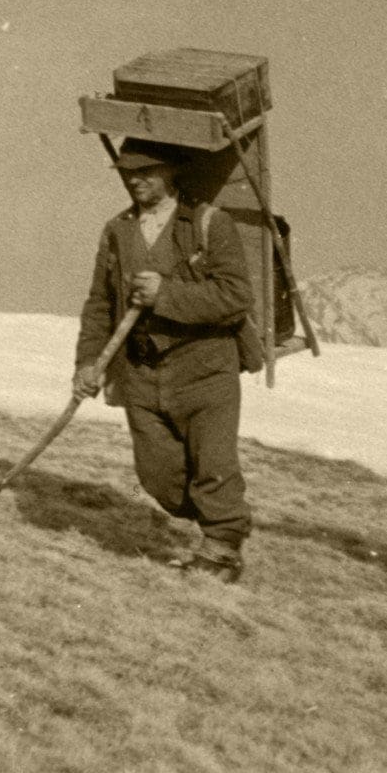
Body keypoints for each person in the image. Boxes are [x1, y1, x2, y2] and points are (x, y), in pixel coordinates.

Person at [73, 138, 255, 581]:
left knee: (213, 465)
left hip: (205, 368)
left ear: (173, 170)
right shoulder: (116, 231)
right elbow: (100, 303)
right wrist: (86, 363)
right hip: (141, 372)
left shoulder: (212, 224)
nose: (135, 178)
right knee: (158, 476)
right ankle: (219, 523)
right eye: (128, 170)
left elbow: (236, 296)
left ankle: (221, 549)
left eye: (147, 169)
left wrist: (165, 294)